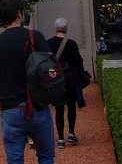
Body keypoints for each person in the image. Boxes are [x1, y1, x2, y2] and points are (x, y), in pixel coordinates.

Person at [0, 0, 55, 164]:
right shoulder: (35, 36)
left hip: (10, 109)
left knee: (15, 160)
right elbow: (51, 71)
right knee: (45, 157)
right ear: (19, 14)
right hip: (36, 106)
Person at [47, 18, 83, 149]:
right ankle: (72, 133)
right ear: (66, 29)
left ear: (55, 28)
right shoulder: (72, 44)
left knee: (59, 109)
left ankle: (61, 138)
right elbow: (79, 61)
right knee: (71, 106)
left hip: (56, 79)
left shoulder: (49, 43)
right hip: (70, 78)